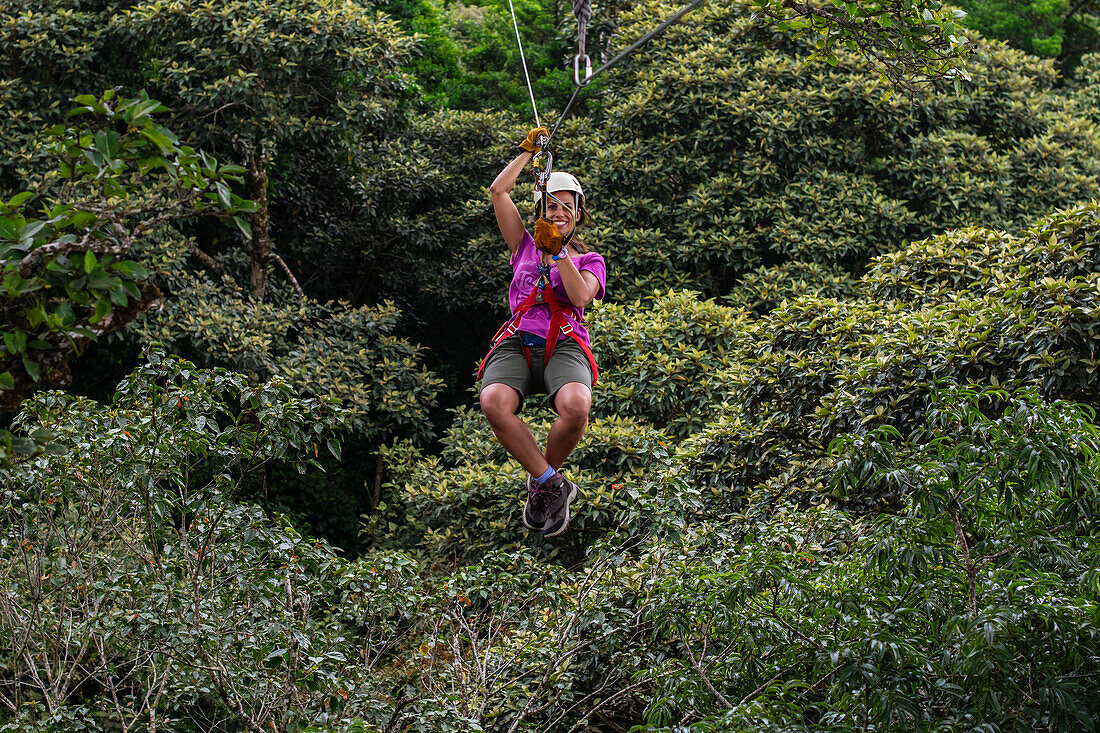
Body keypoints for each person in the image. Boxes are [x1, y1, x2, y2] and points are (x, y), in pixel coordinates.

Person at [478, 127, 607, 538]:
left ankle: (540, 485)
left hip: (563, 340)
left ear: (577, 214)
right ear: (539, 211)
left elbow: (579, 297)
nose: (558, 213)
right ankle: (551, 482)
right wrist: (526, 153)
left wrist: (560, 252)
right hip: (519, 338)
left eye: (567, 207)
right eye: (551, 207)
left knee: (576, 405)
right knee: (494, 401)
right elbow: (499, 193)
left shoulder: (589, 258)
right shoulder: (522, 244)